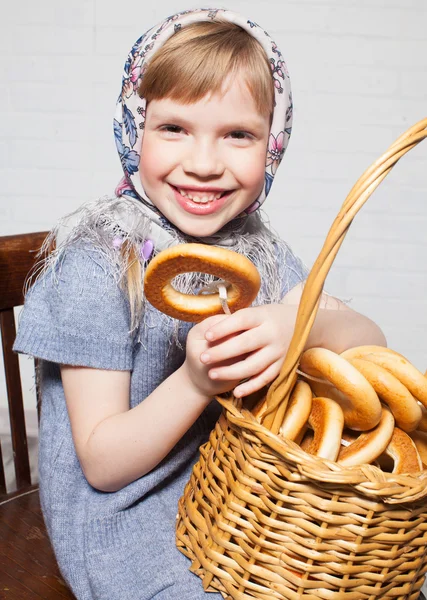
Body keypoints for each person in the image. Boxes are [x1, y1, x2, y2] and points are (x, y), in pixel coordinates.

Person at [14, 8, 388, 600]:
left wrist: (302, 319)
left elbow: (371, 344)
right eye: (174, 129)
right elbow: (103, 464)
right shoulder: (100, 262)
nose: (205, 163)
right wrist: (194, 380)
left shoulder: (259, 253)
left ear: (273, 143)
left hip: (241, 505)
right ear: (133, 129)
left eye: (238, 134)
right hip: (128, 519)